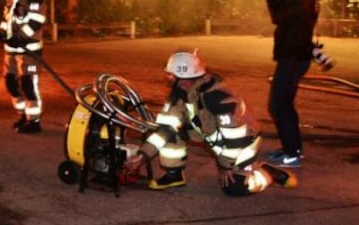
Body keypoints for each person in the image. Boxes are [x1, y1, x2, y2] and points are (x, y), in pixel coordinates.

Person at [125, 51, 297, 196]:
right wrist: (143, 155)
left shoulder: (217, 97)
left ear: (183, 78)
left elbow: (235, 138)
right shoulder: (181, 92)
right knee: (171, 132)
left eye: (170, 75)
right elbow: (165, 128)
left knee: (234, 187)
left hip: (244, 141)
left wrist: (225, 165)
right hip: (214, 137)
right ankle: (174, 174)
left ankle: (268, 173)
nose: (167, 77)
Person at [260, 0, 319, 168]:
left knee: (278, 105)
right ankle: (291, 149)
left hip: (293, 57)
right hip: (294, 56)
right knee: (284, 104)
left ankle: (293, 153)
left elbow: (279, 17)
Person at [0, 0, 47, 134]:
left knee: (28, 84)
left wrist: (20, 37)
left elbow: (36, 21)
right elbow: (7, 20)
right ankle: (23, 115)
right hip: (11, 49)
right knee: (11, 83)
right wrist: (0, 33)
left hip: (29, 50)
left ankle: (34, 121)